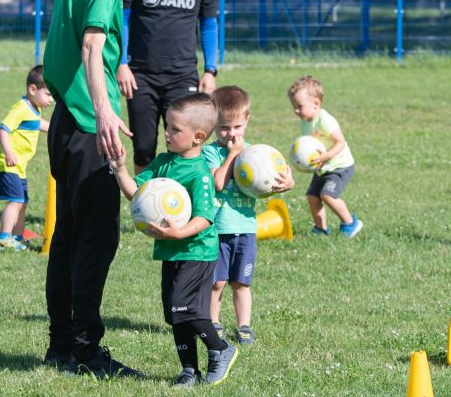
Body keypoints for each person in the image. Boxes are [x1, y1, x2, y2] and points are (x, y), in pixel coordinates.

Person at [41, 0, 162, 378]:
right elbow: (92, 48)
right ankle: (87, 353)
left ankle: (61, 348)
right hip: (90, 125)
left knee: (69, 239)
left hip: (69, 125)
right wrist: (106, 113)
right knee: (95, 242)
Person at [109, 93, 239, 387]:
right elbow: (136, 193)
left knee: (185, 308)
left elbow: (204, 218)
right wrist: (119, 168)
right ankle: (189, 370)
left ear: (198, 137)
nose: (166, 132)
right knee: (173, 313)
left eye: (174, 129)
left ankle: (220, 348)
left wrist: (176, 233)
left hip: (196, 251)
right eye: (166, 126)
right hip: (171, 250)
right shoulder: (163, 162)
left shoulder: (201, 175)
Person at [119, 0, 220, 174]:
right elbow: (122, 21)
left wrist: (210, 70)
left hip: (182, 75)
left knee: (184, 144)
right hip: (140, 75)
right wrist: (122, 64)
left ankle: (179, 204)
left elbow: (209, 26)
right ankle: (144, 202)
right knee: (143, 146)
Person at [203, 86, 295, 345]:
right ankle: (213, 323)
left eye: (237, 127)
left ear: (247, 121)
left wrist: (288, 183)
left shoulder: (257, 153)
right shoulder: (210, 153)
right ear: (213, 124)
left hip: (245, 228)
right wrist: (232, 154)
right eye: (224, 128)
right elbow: (218, 184)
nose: (231, 134)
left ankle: (244, 326)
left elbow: (280, 176)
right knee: (217, 283)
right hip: (217, 230)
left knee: (241, 283)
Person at [287, 75, 363, 237]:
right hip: (322, 168)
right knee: (312, 197)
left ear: (316, 103)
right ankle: (320, 229)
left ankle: (351, 224)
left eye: (300, 106)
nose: (296, 110)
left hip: (339, 166)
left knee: (327, 195)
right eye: (294, 106)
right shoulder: (305, 120)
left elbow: (341, 142)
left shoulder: (325, 120)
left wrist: (326, 156)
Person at [0, 65, 52, 251]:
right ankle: (3, 239)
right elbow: (3, 128)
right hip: (7, 165)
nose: (52, 99)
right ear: (33, 89)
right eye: (48, 94)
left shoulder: (34, 108)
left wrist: (59, 129)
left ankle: (16, 237)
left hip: (19, 167)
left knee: (22, 201)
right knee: (16, 201)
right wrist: (8, 152)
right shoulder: (21, 108)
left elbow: (39, 124)